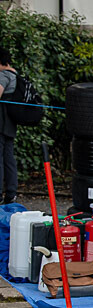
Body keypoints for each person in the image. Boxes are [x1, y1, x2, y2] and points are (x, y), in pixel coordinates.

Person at [0, 47, 18, 204]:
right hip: (10, 123)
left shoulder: (3, 76)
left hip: (1, 122)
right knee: (8, 158)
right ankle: (11, 192)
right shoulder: (14, 74)